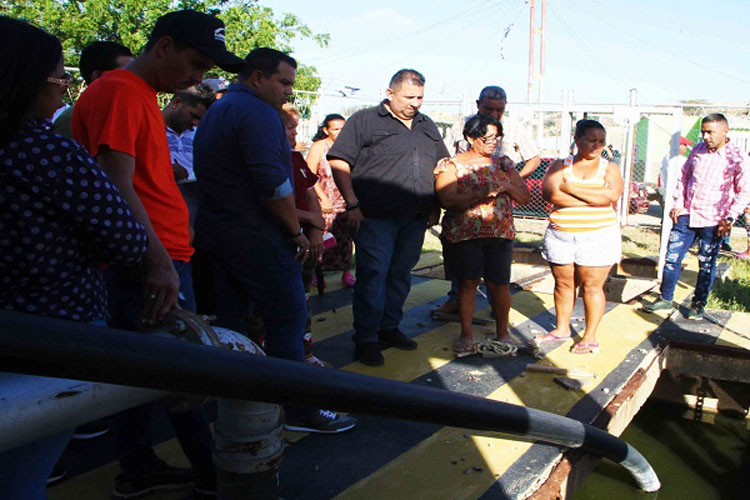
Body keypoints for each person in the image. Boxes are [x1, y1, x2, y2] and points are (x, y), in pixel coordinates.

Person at [73, 9, 246, 497]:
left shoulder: (136, 94)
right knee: (181, 371)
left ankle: (141, 466)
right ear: (164, 47)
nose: (197, 77)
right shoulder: (121, 92)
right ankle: (215, 478)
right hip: (150, 259)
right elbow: (115, 183)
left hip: (160, 254)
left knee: (147, 370)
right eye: (194, 62)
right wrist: (156, 261)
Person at [0, 17, 148, 499]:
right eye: (58, 79)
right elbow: (126, 242)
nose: (63, 92)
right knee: (20, 480)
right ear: (24, 82)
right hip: (55, 338)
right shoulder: (46, 153)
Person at [193, 48, 355, 433]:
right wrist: (296, 231)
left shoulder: (220, 109)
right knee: (287, 319)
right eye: (283, 82)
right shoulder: (256, 112)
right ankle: (298, 411)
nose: (288, 93)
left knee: (233, 324)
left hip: (220, 233)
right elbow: (272, 183)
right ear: (258, 78)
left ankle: (237, 406)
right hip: (255, 235)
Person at [328, 68, 450, 366]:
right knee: (373, 275)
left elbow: (442, 163)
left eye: (420, 97)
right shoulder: (365, 120)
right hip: (375, 216)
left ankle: (389, 328)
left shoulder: (426, 125)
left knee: (399, 276)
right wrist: (353, 204)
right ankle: (367, 339)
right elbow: (339, 161)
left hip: (415, 217)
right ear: (389, 93)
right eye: (409, 97)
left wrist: (436, 204)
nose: (416, 103)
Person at [434, 85, 541, 317]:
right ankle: (457, 304)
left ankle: (497, 309)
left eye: (499, 110)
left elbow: (533, 158)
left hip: (497, 212)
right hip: (465, 212)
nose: (494, 114)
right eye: (489, 108)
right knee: (466, 277)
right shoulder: (463, 125)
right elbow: (445, 157)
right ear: (477, 105)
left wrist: (512, 181)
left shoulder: (513, 128)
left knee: (498, 275)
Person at [434, 115, 530, 354]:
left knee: (499, 285)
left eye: (496, 137)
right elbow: (447, 200)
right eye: (486, 138)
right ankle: (466, 334)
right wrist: (483, 192)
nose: (492, 142)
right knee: (468, 284)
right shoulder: (451, 165)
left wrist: (506, 186)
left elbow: (524, 197)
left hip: (499, 234)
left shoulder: (504, 164)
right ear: (470, 137)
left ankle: (503, 332)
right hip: (465, 235)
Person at [644, 114, 750, 320]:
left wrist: (729, 218)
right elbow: (684, 177)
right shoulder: (698, 150)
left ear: (724, 131)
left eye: (710, 132)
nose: (705, 136)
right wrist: (678, 204)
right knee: (672, 258)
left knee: (706, 263)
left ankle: (698, 304)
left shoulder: (737, 157)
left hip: (714, 220)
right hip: (687, 214)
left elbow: (744, 191)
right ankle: (665, 298)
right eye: (703, 131)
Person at [536, 119, 624, 354]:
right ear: (577, 139)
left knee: (592, 286)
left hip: (598, 237)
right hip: (561, 236)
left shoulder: (610, 168)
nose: (597, 146)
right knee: (563, 284)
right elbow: (550, 193)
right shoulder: (560, 165)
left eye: (601, 141)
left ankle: (589, 336)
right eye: (591, 140)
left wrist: (571, 188)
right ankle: (562, 328)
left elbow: (610, 196)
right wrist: (592, 196)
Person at [279, 103, 331, 368]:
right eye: (289, 127)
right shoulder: (269, 158)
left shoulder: (295, 158)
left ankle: (305, 352)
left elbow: (311, 192)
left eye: (295, 128)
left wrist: (315, 231)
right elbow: (272, 202)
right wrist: (311, 218)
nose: (294, 134)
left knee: (302, 301)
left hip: (305, 244)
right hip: (280, 243)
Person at [305, 114, 356, 288]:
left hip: (345, 202)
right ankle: (315, 273)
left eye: (343, 128)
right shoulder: (319, 147)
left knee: (346, 239)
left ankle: (346, 272)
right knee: (321, 239)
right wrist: (323, 199)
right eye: (335, 129)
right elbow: (309, 176)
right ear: (326, 130)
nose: (340, 133)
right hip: (323, 201)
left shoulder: (352, 146)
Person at [52, 41, 134, 138]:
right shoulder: (72, 120)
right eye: (125, 76)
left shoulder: (127, 115)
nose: (134, 81)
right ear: (97, 77)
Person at [162, 84, 215, 226]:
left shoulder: (199, 133)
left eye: (199, 120)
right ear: (176, 103)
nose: (194, 123)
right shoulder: (149, 128)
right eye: (193, 116)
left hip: (195, 212)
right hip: (161, 212)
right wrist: (165, 170)